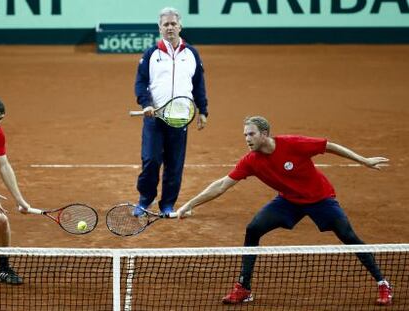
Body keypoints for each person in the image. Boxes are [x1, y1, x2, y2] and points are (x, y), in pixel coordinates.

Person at [177, 116, 393, 306]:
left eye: (251, 134)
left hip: (320, 199)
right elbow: (222, 185)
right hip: (289, 202)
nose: (247, 139)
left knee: (348, 236)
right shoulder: (251, 161)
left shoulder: (292, 143)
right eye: (245, 135)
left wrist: (363, 160)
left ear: (264, 134)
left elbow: (329, 146)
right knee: (253, 229)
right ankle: (244, 287)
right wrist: (190, 204)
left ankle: (382, 283)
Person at [133, 7, 208, 216]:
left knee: (174, 165)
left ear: (180, 26)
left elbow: (198, 83)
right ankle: (145, 200)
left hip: (180, 118)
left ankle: (167, 204)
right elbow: (140, 82)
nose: (170, 28)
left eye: (173, 23)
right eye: (165, 24)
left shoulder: (192, 53)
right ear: (159, 28)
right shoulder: (151, 54)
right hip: (154, 117)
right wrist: (145, 103)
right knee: (151, 161)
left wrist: (203, 110)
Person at [0, 98, 32, 285]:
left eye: (0, 118)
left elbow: (3, 165)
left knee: (1, 221)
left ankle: (2, 268)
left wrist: (19, 199)